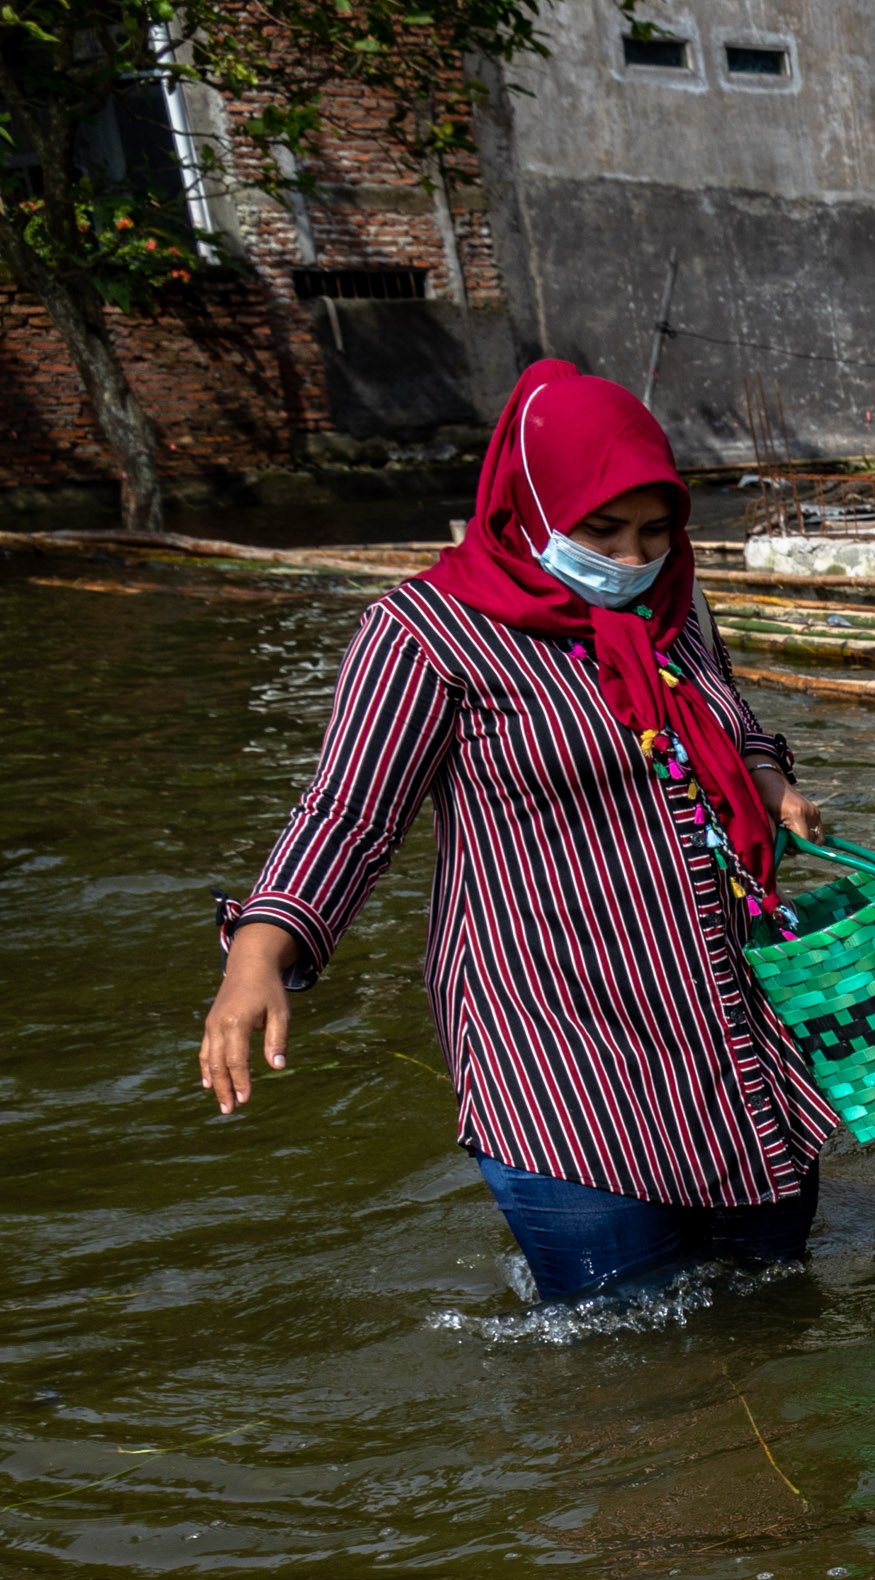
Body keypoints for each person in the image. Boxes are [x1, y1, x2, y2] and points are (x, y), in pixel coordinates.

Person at [198, 359, 841, 1304]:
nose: (631, 560)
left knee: (776, 1293)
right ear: (530, 508)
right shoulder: (425, 635)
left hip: (713, 1008)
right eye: (602, 532)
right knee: (627, 1345)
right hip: (550, 1025)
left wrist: (769, 781)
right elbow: (348, 812)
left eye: (656, 533)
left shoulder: (676, 608)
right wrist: (256, 955)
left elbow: (727, 717)